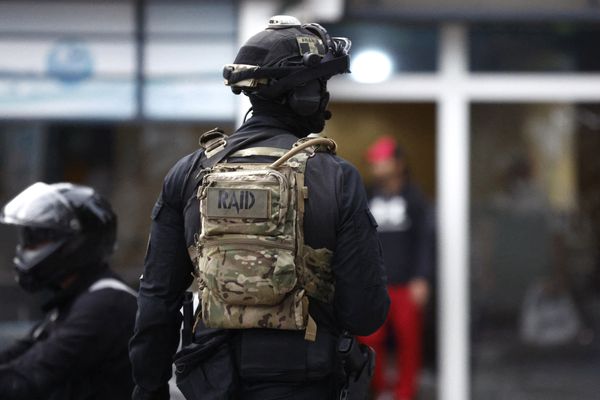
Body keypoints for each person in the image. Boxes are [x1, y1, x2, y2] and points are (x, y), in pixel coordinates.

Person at [129, 15, 390, 400]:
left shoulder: (190, 173)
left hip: (210, 381)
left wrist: (148, 387)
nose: (324, 97)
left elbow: (157, 299)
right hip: (306, 380)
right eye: (319, 86)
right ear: (299, 94)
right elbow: (365, 312)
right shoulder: (335, 178)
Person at [0, 182, 137, 400]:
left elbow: (24, 380)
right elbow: (18, 356)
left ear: (75, 244)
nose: (25, 251)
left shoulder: (106, 305)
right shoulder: (74, 300)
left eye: (35, 241)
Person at [359, 136, 435, 400]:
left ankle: (405, 393)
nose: (378, 167)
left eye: (383, 161)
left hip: (406, 284)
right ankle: (380, 389)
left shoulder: (415, 197)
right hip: (374, 284)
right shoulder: (367, 194)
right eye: (375, 163)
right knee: (369, 339)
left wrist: (422, 277)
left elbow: (425, 239)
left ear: (398, 163)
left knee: (409, 343)